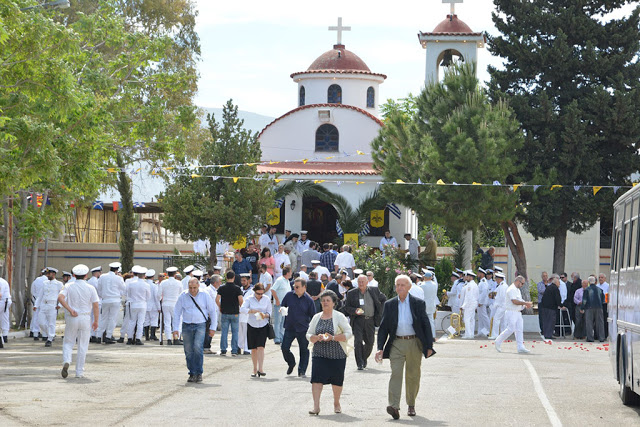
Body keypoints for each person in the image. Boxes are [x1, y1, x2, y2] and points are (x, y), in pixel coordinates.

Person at [375, 275, 435, 420]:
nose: (400, 287)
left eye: (403, 285)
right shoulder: (389, 304)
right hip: (396, 343)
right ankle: (394, 406)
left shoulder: (418, 303)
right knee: (395, 373)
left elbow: (426, 324)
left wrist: (429, 346)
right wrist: (380, 347)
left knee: (413, 375)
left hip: (414, 342)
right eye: (398, 285)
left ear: (409, 287)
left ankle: (411, 404)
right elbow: (383, 328)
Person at [307, 290, 353, 415]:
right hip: (319, 354)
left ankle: (336, 402)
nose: (325, 302)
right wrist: (314, 337)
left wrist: (333, 337)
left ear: (334, 303)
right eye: (323, 300)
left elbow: (349, 333)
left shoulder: (339, 316)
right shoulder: (317, 317)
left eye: (328, 300)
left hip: (337, 354)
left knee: (337, 381)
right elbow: (309, 333)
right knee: (316, 380)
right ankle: (316, 407)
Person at [57, 264, 100, 378]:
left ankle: (67, 360)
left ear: (74, 275)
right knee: (83, 345)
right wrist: (96, 321)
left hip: (73, 316)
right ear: (86, 275)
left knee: (68, 342)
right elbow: (96, 305)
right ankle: (79, 372)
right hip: (85, 317)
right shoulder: (91, 288)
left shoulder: (68, 285)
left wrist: (70, 309)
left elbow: (60, 298)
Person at [172, 278, 218, 383]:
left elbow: (212, 311)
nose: (192, 290)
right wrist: (175, 329)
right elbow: (177, 313)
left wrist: (213, 328)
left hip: (200, 325)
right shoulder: (183, 296)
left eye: (194, 288)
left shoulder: (205, 295)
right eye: (190, 288)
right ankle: (192, 373)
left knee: (198, 348)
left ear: (198, 286)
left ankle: (199, 372)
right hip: (187, 325)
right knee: (188, 350)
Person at [342, 275, 384, 370]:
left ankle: (363, 358)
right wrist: (355, 311)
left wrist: (380, 311)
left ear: (367, 282)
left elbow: (383, 299)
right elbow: (347, 307)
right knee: (358, 341)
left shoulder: (374, 290)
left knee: (370, 343)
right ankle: (360, 363)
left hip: (370, 320)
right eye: (359, 282)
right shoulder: (352, 293)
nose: (361, 284)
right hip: (358, 320)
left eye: (363, 282)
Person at [281, 277, 316, 377]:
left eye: (297, 287)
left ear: (304, 287)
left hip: (303, 328)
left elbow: (313, 316)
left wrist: (313, 330)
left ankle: (302, 371)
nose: (295, 289)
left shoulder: (309, 300)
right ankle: (291, 363)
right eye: (294, 286)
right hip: (290, 327)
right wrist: (282, 310)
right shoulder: (289, 295)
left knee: (304, 350)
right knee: (284, 348)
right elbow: (283, 306)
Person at [240, 283, 272, 377]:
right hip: (252, 324)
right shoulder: (249, 298)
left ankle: (261, 368)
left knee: (261, 347)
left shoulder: (266, 299)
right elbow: (242, 309)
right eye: (258, 294)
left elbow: (269, 312)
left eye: (261, 293)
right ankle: (254, 368)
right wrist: (251, 311)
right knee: (253, 348)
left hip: (263, 324)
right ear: (254, 292)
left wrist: (264, 315)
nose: (260, 296)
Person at [495, 275, 532, 353]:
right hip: (511, 311)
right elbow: (514, 301)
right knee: (510, 329)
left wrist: (525, 305)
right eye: (522, 283)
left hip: (518, 312)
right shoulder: (511, 289)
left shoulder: (517, 290)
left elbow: (519, 300)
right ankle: (498, 340)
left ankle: (520, 346)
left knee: (519, 329)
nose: (522, 285)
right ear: (518, 281)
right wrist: (525, 303)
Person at [96, 262, 125, 344]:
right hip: (115, 300)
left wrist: (103, 296)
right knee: (112, 319)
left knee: (103, 318)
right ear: (117, 270)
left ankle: (99, 336)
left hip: (105, 300)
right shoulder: (119, 278)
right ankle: (108, 336)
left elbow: (99, 289)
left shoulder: (102, 276)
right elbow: (124, 288)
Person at [34, 269, 64, 347]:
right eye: (47, 274)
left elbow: (63, 295)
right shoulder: (45, 283)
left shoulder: (59, 284)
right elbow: (40, 295)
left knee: (51, 323)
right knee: (41, 322)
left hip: (52, 305)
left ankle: (49, 339)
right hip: (43, 304)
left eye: (49, 274)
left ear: (53, 274)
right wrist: (36, 305)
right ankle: (51, 334)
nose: (47, 275)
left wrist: (60, 305)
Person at [216, 271, 244, 355]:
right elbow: (241, 300)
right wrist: (241, 308)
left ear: (226, 277)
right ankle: (234, 350)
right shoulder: (237, 288)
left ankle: (223, 350)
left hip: (224, 312)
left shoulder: (221, 288)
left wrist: (220, 307)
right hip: (235, 312)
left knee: (224, 332)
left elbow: (217, 299)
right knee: (235, 332)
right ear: (234, 278)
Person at [125, 266, 151, 345]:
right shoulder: (146, 285)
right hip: (142, 304)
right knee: (140, 322)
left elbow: (128, 294)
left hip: (133, 304)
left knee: (132, 321)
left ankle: (129, 338)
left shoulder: (131, 284)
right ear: (144, 275)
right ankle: (138, 339)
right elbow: (148, 297)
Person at [159, 266, 183, 345]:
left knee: (167, 322)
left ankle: (169, 339)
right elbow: (181, 295)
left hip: (165, 303)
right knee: (176, 322)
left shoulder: (163, 282)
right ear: (175, 274)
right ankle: (176, 338)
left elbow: (159, 294)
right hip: (175, 303)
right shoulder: (179, 283)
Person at [271, 266, 292, 344]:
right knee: (277, 321)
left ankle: (281, 336)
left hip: (285, 305)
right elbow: (273, 289)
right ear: (287, 273)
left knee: (283, 322)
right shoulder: (279, 280)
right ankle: (276, 338)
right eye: (290, 272)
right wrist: (276, 300)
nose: (291, 274)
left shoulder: (287, 281)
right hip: (279, 304)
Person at [581, 275, 605, 342]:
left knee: (589, 323)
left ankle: (590, 338)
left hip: (589, 307)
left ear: (589, 282)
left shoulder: (587, 290)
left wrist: (582, 308)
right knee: (600, 323)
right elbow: (603, 300)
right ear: (595, 282)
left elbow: (584, 300)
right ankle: (601, 337)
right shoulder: (600, 290)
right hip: (599, 307)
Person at [539, 274, 562, 342]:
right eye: (559, 283)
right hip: (551, 308)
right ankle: (549, 335)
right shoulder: (555, 289)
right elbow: (557, 298)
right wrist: (560, 305)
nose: (559, 284)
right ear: (556, 283)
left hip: (544, 307)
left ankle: (546, 334)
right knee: (551, 322)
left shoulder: (548, 288)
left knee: (546, 321)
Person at [488, 272, 508, 339]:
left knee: (496, 319)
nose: (496, 280)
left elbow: (501, 297)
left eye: (496, 279)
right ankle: (503, 335)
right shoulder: (502, 286)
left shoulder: (502, 286)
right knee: (503, 321)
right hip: (503, 305)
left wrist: (495, 303)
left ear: (499, 279)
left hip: (501, 306)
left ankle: (495, 334)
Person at [238, 273, 254, 355]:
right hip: (239, 315)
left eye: (244, 280)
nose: (243, 282)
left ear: (249, 280)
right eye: (242, 280)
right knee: (240, 333)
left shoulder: (252, 291)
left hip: (247, 315)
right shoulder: (239, 289)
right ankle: (239, 347)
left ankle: (247, 349)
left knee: (247, 333)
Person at [29, 269, 48, 340]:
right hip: (45, 302)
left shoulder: (36, 281)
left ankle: (35, 333)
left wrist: (35, 299)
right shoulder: (48, 281)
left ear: (41, 273)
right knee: (45, 318)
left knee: (35, 317)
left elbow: (32, 291)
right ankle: (45, 334)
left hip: (36, 300)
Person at [419, 271, 438, 339]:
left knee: (423, 320)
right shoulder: (434, 284)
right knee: (431, 320)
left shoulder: (422, 285)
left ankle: (425, 335)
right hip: (432, 304)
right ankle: (433, 335)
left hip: (424, 304)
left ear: (425, 277)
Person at [459, 271, 478, 339]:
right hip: (473, 304)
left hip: (469, 304)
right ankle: (471, 334)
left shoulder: (470, 285)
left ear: (471, 277)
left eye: (468, 276)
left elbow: (468, 297)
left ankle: (468, 334)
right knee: (471, 319)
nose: (466, 278)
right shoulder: (475, 284)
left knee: (466, 319)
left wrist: (463, 306)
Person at [143, 269, 160, 341]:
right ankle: (152, 335)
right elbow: (156, 297)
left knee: (146, 320)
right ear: (153, 277)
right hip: (153, 306)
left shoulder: (144, 284)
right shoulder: (154, 286)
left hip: (145, 305)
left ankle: (147, 336)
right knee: (154, 320)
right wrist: (159, 307)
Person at [476, 268, 490, 337]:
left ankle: (489, 330)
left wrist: (480, 302)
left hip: (482, 303)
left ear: (482, 274)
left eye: (478, 273)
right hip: (480, 302)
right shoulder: (481, 282)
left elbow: (484, 293)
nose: (477, 275)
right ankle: (481, 331)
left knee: (484, 317)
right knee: (480, 317)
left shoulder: (484, 282)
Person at [0, 275, 12, 347]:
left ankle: (4, 336)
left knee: (4, 318)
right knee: (4, 318)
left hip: (3, 301)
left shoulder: (1, 282)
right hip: (5, 301)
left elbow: (0, 295)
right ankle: (4, 336)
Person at [537, 271, 549, 336]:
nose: (545, 277)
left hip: (548, 303)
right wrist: (547, 290)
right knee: (541, 317)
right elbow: (541, 291)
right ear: (542, 277)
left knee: (547, 317)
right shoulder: (539, 284)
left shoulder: (550, 284)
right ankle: (542, 330)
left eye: (546, 276)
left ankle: (548, 329)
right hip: (541, 302)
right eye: (544, 276)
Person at [597, 273, 609, 339]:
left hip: (604, 304)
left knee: (604, 320)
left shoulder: (607, 286)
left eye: (602, 277)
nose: (600, 279)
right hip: (597, 305)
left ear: (605, 278)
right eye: (599, 277)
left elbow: (608, 295)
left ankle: (605, 334)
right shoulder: (597, 286)